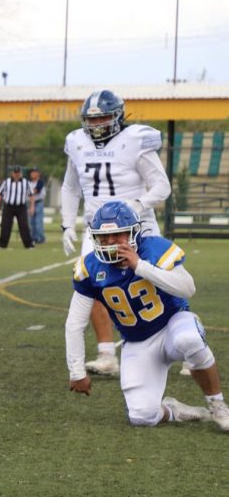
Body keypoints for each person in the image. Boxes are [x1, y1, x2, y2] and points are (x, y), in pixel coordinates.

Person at [65, 201, 229, 432]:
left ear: (133, 233)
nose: (110, 242)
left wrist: (140, 266)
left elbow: (188, 288)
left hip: (173, 324)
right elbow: (75, 323)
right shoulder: (90, 267)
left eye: (117, 235)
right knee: (141, 416)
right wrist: (76, 371)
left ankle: (218, 405)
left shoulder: (154, 248)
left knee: (188, 339)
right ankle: (174, 410)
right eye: (104, 237)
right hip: (138, 341)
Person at [62, 89, 172, 378]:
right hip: (98, 230)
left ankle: (181, 342)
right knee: (92, 283)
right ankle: (107, 354)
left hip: (137, 225)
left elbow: (162, 186)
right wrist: (67, 224)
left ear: (118, 116)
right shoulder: (76, 142)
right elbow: (70, 187)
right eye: (91, 120)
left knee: (160, 280)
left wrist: (139, 204)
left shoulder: (135, 139)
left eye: (103, 118)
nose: (96, 125)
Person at [0, 165, 34, 249]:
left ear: (20, 173)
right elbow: (0, 194)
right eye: (15, 173)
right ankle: (2, 244)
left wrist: (32, 207)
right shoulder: (6, 182)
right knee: (6, 225)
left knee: (24, 225)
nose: (16, 175)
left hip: (21, 207)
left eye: (18, 173)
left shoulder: (26, 182)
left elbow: (31, 195)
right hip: (9, 206)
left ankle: (28, 244)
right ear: (12, 173)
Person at [28, 167, 47, 245]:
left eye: (35, 172)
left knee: (38, 222)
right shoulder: (29, 183)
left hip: (39, 203)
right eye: (32, 172)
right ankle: (33, 238)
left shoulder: (40, 182)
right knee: (31, 222)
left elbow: (35, 191)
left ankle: (40, 238)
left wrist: (29, 192)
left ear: (38, 173)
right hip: (30, 203)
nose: (33, 174)